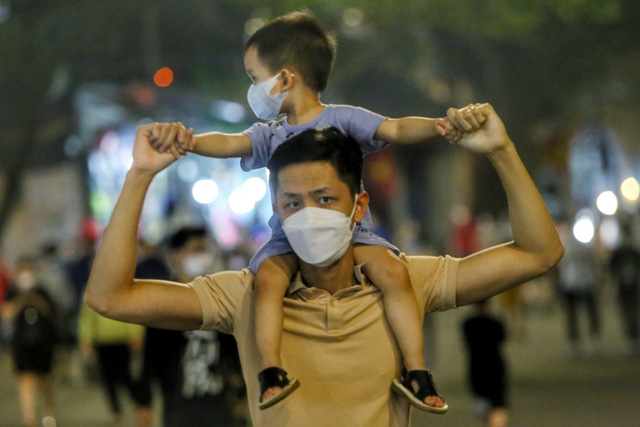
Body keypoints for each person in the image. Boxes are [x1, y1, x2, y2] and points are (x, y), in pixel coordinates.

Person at [84, 103, 564, 426]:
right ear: (276, 210)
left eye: (324, 198)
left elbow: (537, 253)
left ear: (358, 206)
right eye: (292, 203)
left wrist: (501, 151)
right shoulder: (245, 296)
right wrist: (140, 175)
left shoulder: (405, 280)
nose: (308, 214)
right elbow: (111, 297)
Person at [153, 10, 450, 411]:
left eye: (255, 77)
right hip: (286, 239)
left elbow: (396, 128)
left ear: (286, 78)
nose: (253, 88)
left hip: (352, 234)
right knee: (268, 283)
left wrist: (443, 124)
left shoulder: (344, 119)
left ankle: (417, 372)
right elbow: (228, 143)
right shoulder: (268, 133)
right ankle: (271, 373)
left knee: (395, 273)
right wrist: (186, 141)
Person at [135, 229, 247, 427]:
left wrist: (242, 391)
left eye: (205, 249)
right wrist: (144, 403)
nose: (203, 256)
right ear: (175, 255)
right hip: (179, 405)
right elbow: (150, 355)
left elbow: (233, 346)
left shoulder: (218, 296)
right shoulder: (164, 301)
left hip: (221, 405)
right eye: (196, 250)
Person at [1, 257, 58, 427]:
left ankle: (49, 415)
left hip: (42, 342)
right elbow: (6, 315)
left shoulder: (42, 291)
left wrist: (36, 301)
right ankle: (29, 420)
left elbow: (52, 313)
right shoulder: (12, 292)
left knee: (44, 380)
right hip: (21, 342)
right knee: (25, 380)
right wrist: (21, 301)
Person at [78, 301, 147, 427]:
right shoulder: (93, 286)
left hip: (122, 341)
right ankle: (116, 413)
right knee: (107, 379)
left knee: (127, 377)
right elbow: (87, 315)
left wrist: (135, 334)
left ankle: (138, 408)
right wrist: (86, 338)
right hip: (103, 341)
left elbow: (131, 309)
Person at [556, 222, 601, 358]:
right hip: (587, 281)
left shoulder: (564, 248)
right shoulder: (586, 248)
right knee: (591, 313)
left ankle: (575, 344)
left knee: (572, 315)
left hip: (570, 283)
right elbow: (594, 265)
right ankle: (595, 341)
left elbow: (560, 268)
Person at [462, 300, 508, 427]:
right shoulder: (495, 322)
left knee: (480, 401)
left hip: (476, 365)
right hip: (495, 364)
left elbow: (465, 344)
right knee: (498, 403)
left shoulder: (468, 324)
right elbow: (503, 339)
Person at [609, 224, 640, 356]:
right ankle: (632, 342)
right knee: (627, 316)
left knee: (634, 315)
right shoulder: (618, 253)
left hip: (634, 289)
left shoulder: (634, 252)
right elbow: (612, 269)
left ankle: (635, 342)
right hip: (623, 289)